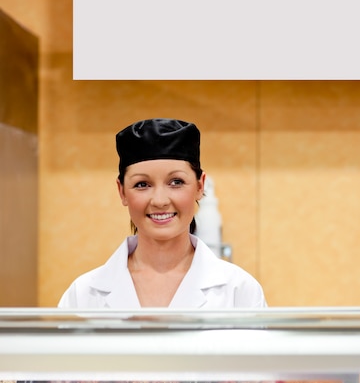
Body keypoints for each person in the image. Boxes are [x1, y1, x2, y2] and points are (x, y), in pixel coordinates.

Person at [58, 118, 267, 309]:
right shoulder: (83, 296)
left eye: (176, 182)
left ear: (200, 185)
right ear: (121, 191)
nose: (159, 201)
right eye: (142, 184)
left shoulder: (240, 291)